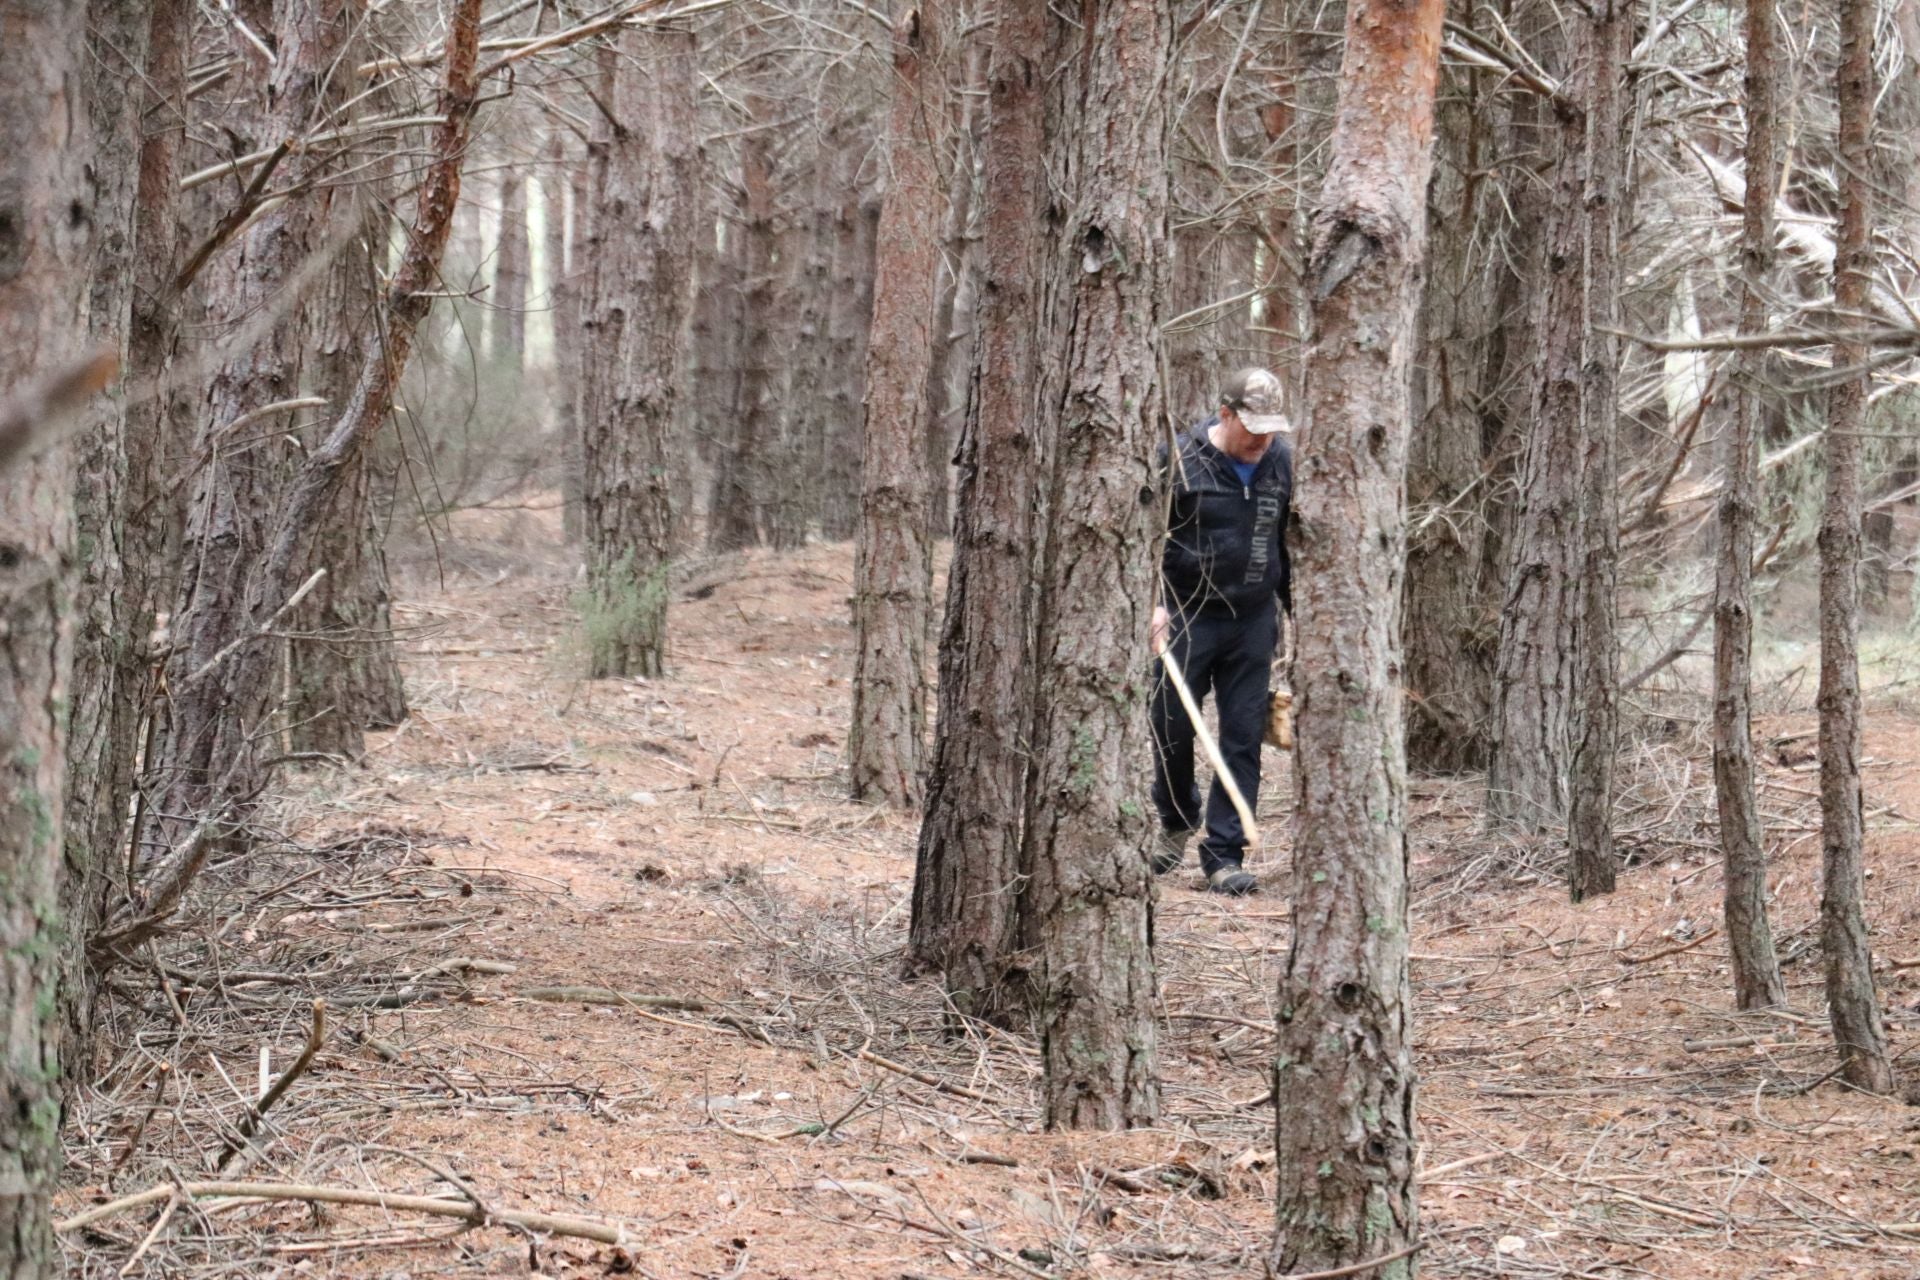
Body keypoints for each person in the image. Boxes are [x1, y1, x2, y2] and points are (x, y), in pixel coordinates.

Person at [1148, 367, 1293, 896]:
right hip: (1185, 614)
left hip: (1253, 619)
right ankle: (1177, 817)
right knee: (1169, 726)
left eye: (1272, 429)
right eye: (1252, 427)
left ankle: (1224, 855)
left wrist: (1296, 612)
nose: (1262, 440)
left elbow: (1289, 542)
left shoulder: (1280, 461)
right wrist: (1152, 603)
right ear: (1225, 414)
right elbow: (1145, 538)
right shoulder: (1181, 460)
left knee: (1241, 737)